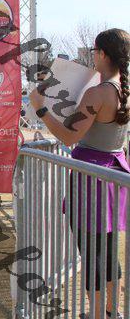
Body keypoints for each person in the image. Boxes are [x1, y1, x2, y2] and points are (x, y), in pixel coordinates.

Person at [30, 28, 130, 319]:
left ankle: (96, 314)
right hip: (114, 175)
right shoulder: (123, 90)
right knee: (108, 250)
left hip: (90, 178)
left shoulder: (97, 93)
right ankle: (112, 312)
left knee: (91, 253)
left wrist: (40, 110)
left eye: (94, 51)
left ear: (103, 54)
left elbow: (68, 136)